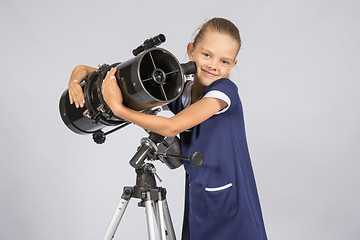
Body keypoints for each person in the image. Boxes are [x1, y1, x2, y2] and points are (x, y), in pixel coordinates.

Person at [68, 17, 267, 240]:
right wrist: (80, 72)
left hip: (232, 204)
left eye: (224, 61)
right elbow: (127, 86)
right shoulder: (184, 91)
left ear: (233, 65)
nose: (213, 65)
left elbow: (172, 127)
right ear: (191, 51)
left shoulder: (225, 92)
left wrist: (118, 109)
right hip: (201, 194)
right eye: (207, 55)